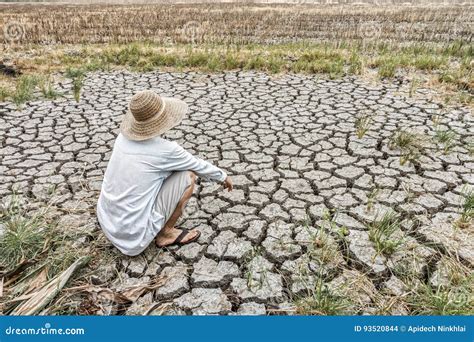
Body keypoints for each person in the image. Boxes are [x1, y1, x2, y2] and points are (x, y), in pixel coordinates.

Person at [97, 90, 232, 256]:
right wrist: (223, 176)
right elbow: (197, 166)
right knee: (188, 175)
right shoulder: (166, 150)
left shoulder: (122, 138)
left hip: (108, 223)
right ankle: (166, 233)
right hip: (133, 239)